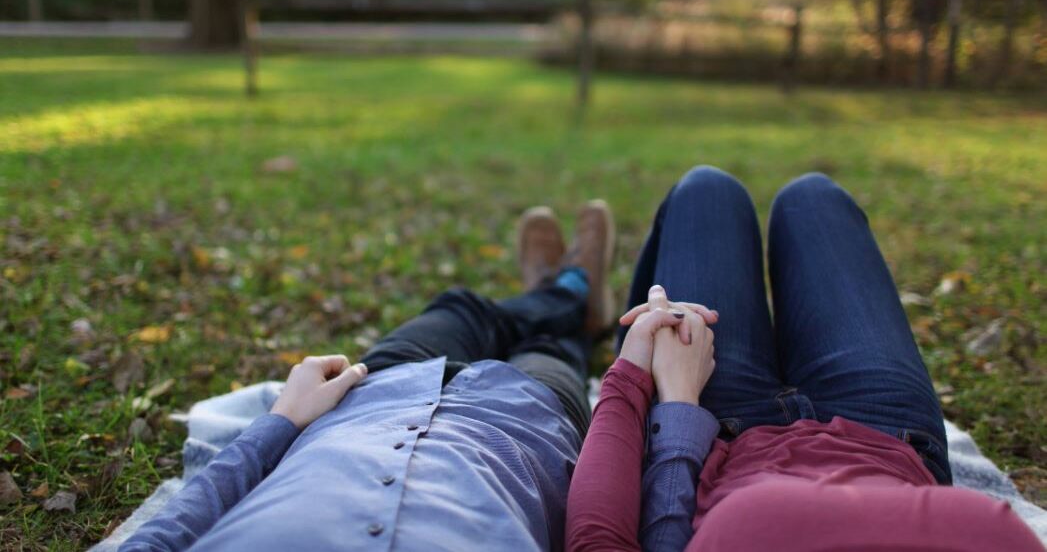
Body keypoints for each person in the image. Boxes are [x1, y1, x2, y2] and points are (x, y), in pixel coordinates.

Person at [565, 167, 1044, 552]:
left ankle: (587, 305)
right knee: (814, 199)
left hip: (714, 431)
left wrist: (641, 378)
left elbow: (599, 539)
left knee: (705, 192)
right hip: (889, 437)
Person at [121, 201, 617, 551]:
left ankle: (562, 293)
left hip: (370, 400)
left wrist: (283, 419)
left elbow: (168, 532)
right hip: (524, 434)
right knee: (552, 347)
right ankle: (571, 296)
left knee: (462, 310)